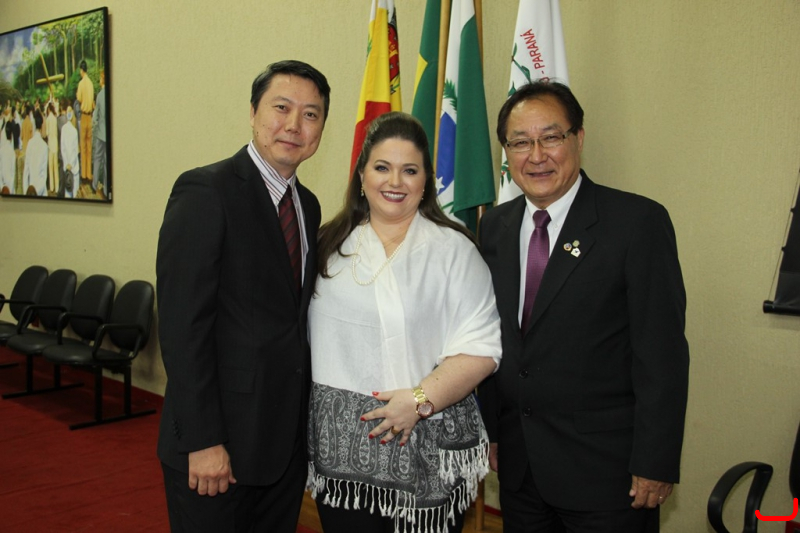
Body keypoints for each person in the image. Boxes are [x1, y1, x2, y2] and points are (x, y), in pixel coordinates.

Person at [478, 80, 690, 533]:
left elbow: (662, 354)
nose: (536, 155)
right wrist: (493, 431)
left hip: (608, 475)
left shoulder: (636, 223)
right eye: (520, 142)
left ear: (578, 138)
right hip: (519, 468)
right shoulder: (494, 227)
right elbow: (496, 338)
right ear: (506, 153)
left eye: (551, 137)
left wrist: (655, 461)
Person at [156, 60, 330, 533]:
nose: (294, 125)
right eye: (281, 108)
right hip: (218, 447)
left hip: (283, 446)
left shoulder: (308, 206)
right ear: (253, 113)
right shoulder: (205, 190)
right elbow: (182, 326)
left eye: (310, 114)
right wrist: (203, 440)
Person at [307, 112, 502, 533]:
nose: (395, 181)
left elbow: (482, 347)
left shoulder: (454, 251)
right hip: (341, 460)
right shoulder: (326, 245)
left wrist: (417, 401)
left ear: (426, 180)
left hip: (428, 447)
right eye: (382, 167)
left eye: (410, 170)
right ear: (361, 175)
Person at [75, 60, 94, 183]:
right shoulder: (91, 83)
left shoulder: (81, 84)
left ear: (81, 70)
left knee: (83, 146)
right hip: (90, 117)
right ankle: (89, 174)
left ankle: (84, 175)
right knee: (89, 146)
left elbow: (79, 98)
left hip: (83, 116)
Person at [22, 110, 47, 196]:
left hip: (30, 188)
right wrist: (37, 192)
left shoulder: (30, 143)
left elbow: (26, 171)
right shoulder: (44, 146)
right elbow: (44, 175)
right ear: (42, 126)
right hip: (41, 190)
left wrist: (26, 191)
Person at [92, 69, 107, 196]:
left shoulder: (100, 95)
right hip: (108, 136)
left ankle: (94, 184)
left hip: (100, 134)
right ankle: (107, 189)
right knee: (107, 162)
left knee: (97, 158)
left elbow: (95, 118)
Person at [60, 107, 80, 198]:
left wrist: (66, 163)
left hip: (66, 167)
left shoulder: (63, 129)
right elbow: (75, 151)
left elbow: (62, 148)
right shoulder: (74, 131)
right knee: (75, 194)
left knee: (67, 193)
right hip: (74, 167)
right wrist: (71, 164)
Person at [45, 102, 59, 195]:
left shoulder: (48, 119)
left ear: (48, 109)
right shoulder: (55, 118)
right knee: (55, 167)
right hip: (55, 143)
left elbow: (46, 133)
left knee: (50, 166)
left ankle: (52, 186)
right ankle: (57, 187)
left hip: (50, 144)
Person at [0, 121, 15, 194]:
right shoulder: (12, 152)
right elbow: (13, 173)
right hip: (10, 188)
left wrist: (2, 186)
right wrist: (9, 189)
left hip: (2, 186)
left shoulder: (1, 150)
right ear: (11, 135)